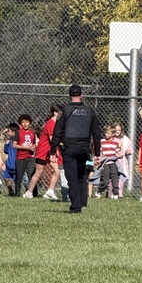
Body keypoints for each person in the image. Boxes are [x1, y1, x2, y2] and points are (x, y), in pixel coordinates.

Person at [49, 84, 101, 214]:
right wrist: (97, 153)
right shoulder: (90, 111)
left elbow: (57, 131)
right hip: (84, 148)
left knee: (71, 177)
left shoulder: (64, 111)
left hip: (69, 147)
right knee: (81, 174)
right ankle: (82, 201)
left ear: (69, 95)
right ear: (81, 95)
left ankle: (76, 206)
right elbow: (96, 133)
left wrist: (53, 150)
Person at [25, 106, 61, 200]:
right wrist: (59, 145)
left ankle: (50, 191)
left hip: (49, 152)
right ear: (55, 113)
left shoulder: (56, 124)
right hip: (43, 152)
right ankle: (29, 192)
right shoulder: (51, 123)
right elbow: (52, 139)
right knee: (38, 173)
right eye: (60, 112)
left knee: (57, 171)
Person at [95, 124, 122, 200]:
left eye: (108, 133)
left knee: (115, 178)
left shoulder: (116, 142)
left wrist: (118, 154)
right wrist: (97, 159)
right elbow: (99, 152)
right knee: (105, 180)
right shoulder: (102, 141)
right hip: (105, 163)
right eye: (106, 133)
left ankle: (115, 193)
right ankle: (99, 191)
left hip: (113, 163)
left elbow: (119, 151)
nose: (106, 134)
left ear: (113, 134)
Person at [14, 114, 38, 197]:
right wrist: (25, 147)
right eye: (23, 122)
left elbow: (34, 144)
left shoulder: (32, 133)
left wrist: (33, 147)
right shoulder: (18, 133)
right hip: (20, 157)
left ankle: (34, 193)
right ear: (21, 123)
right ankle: (17, 192)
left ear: (29, 123)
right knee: (19, 176)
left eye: (27, 122)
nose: (25, 124)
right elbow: (14, 145)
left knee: (32, 174)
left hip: (30, 157)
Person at [112, 121, 133, 197]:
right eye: (116, 130)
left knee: (121, 176)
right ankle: (111, 193)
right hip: (112, 160)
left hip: (121, 161)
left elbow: (130, 148)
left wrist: (128, 151)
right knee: (112, 176)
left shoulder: (125, 139)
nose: (117, 132)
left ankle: (119, 192)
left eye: (119, 130)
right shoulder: (111, 139)